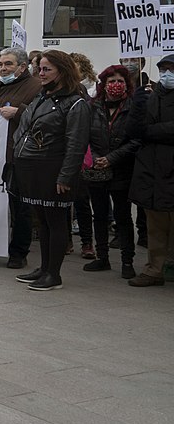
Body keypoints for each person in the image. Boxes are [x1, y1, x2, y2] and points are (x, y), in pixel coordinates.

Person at [12, 50, 90, 291]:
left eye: (47, 69)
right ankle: (44, 268)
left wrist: (66, 176)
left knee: (55, 221)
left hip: (53, 169)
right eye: (40, 68)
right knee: (42, 221)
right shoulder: (42, 97)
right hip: (31, 167)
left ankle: (53, 274)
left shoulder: (76, 103)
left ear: (62, 71)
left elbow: (76, 144)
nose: (41, 73)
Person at [83, 65, 141, 279]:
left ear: (127, 84)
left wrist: (111, 159)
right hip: (97, 170)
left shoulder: (134, 107)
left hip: (122, 169)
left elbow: (136, 140)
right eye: (112, 82)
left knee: (123, 216)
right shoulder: (93, 106)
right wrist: (96, 157)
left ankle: (127, 260)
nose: (116, 86)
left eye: (120, 81)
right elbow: (84, 134)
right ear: (103, 85)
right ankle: (103, 257)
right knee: (99, 215)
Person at [0, 47, 44, 269]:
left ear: (22, 67)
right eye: (1, 64)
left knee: (20, 207)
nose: (3, 68)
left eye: (8, 64)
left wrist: (19, 112)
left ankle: (18, 252)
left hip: (20, 155)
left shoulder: (36, 88)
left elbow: (43, 118)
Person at [126, 54, 174, 287]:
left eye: (171, 70)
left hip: (169, 168)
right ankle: (154, 269)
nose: (166, 74)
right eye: (163, 69)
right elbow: (134, 130)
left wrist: (150, 131)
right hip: (152, 171)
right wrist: (137, 104)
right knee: (155, 225)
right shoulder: (149, 97)